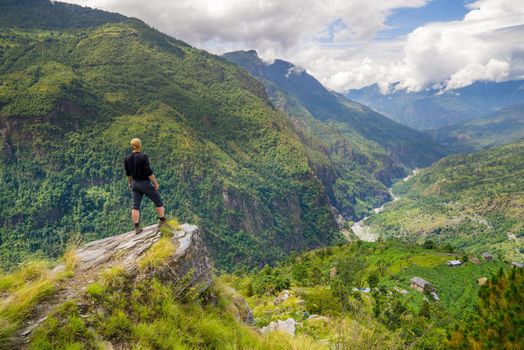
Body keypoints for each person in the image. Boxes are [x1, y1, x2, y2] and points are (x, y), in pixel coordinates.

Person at [124, 138, 166, 234]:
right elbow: (148, 172)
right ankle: (162, 221)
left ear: (131, 146)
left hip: (135, 184)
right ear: (140, 145)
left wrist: (130, 183)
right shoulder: (143, 156)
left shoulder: (127, 158)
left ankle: (137, 228)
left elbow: (128, 173)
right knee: (158, 201)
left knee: (135, 206)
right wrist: (155, 183)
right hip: (144, 183)